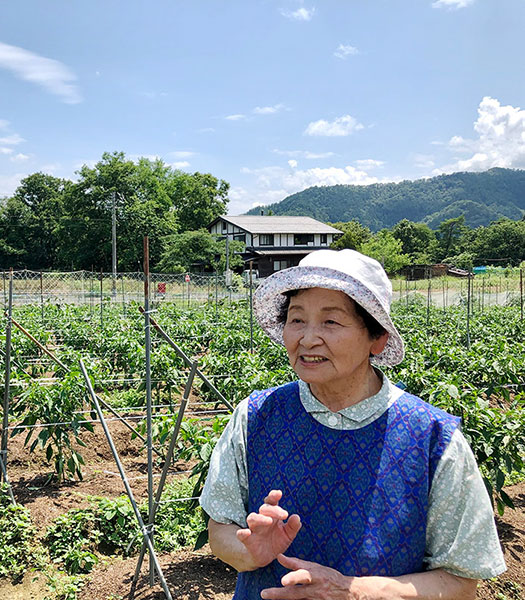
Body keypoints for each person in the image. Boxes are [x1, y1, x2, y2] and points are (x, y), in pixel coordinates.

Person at [200, 249, 506, 599]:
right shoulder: (255, 416)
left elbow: (461, 581)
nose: (308, 337)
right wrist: (249, 552)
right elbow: (220, 529)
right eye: (297, 319)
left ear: (377, 338)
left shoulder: (433, 438)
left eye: (331, 322)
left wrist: (350, 591)